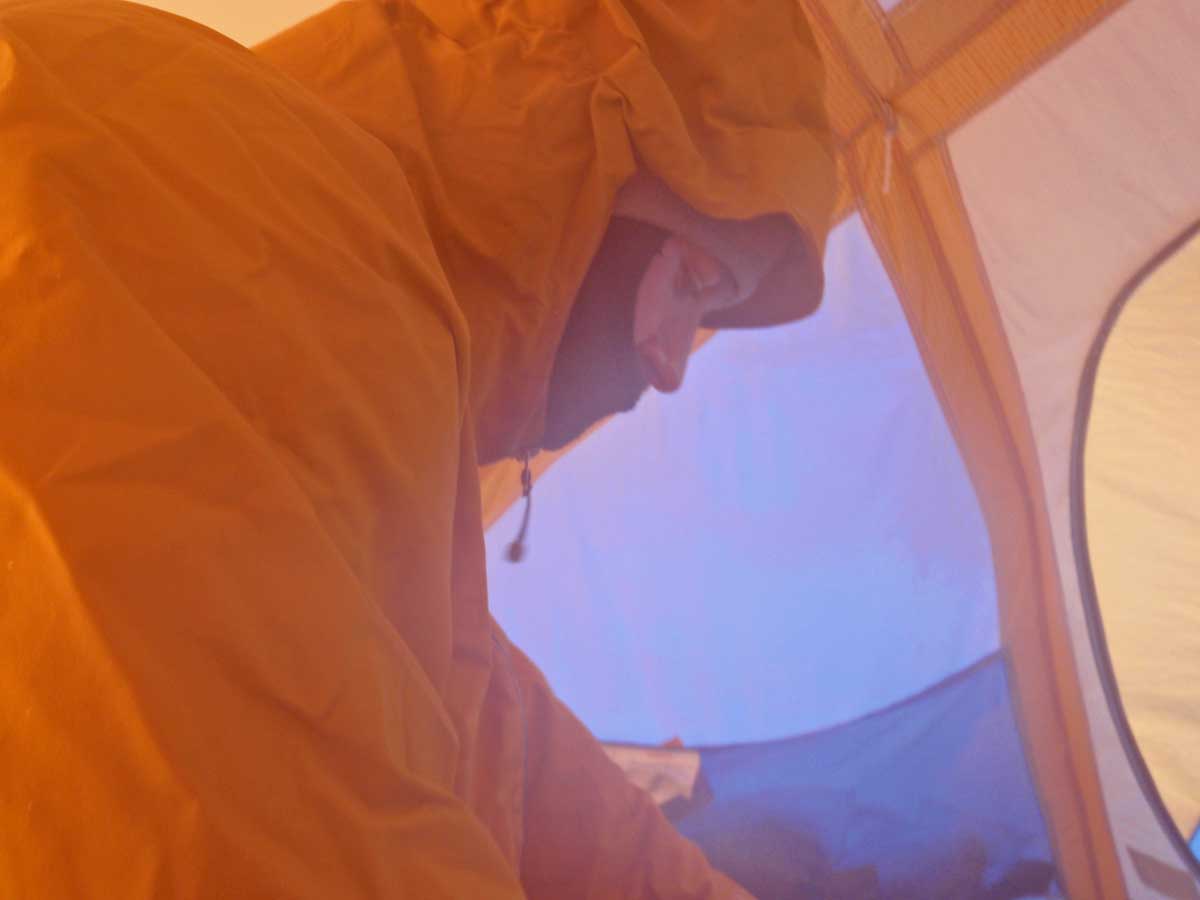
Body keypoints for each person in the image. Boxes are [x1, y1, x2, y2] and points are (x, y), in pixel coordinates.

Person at [0, 0, 835, 896]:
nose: (671, 363)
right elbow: (236, 835)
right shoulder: (203, 223)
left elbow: (479, 724)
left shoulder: (335, 302)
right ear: (581, 139)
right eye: (696, 284)